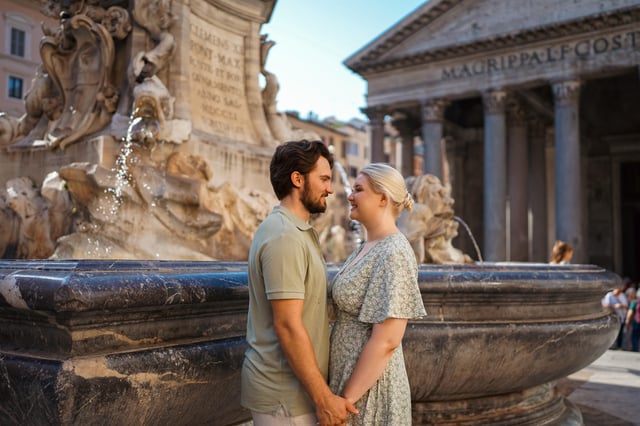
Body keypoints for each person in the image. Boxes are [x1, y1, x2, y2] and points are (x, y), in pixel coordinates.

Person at [240, 140, 357, 426]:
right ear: (297, 179)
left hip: (295, 395)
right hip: (285, 399)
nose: (330, 189)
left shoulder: (297, 231)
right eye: (324, 179)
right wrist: (324, 399)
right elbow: (288, 326)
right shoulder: (284, 236)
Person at [329, 163, 427, 425]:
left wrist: (346, 401)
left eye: (358, 189)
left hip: (369, 394)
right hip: (352, 387)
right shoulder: (369, 246)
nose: (350, 196)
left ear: (383, 198)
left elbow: (387, 340)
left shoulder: (393, 251)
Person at [602, 284, 629, 350]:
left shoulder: (622, 295)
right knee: (609, 331)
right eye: (618, 291)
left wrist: (621, 306)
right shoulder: (609, 295)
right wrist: (614, 306)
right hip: (610, 317)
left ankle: (618, 346)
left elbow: (626, 306)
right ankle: (609, 345)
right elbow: (605, 305)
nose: (619, 292)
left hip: (620, 317)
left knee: (619, 332)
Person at [624, 287, 638, 351]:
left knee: (633, 335)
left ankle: (633, 348)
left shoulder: (634, 302)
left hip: (635, 321)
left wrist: (627, 320)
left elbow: (630, 312)